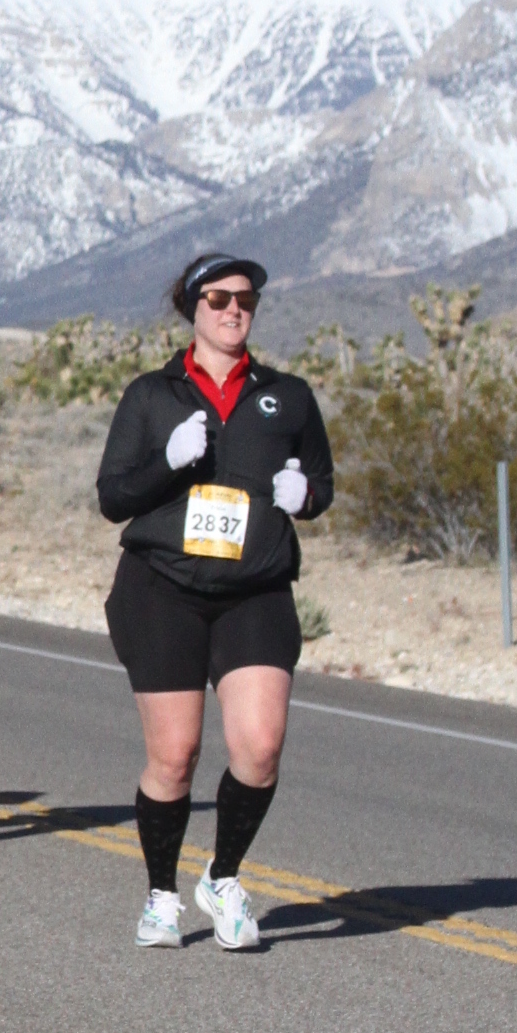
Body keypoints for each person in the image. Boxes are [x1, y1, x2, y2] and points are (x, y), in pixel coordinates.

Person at [97, 251, 334, 950]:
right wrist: (166, 461)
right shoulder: (152, 395)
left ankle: (222, 878)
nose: (235, 310)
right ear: (193, 307)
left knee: (260, 747)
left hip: (254, 590)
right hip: (161, 590)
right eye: (221, 298)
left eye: (247, 300)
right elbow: (113, 497)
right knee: (175, 756)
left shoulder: (288, 395)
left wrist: (307, 497)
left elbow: (322, 482)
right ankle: (161, 896)